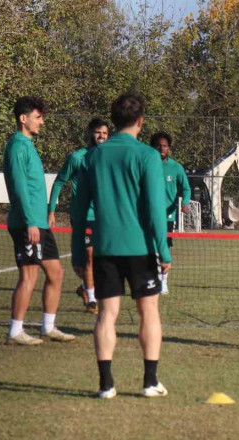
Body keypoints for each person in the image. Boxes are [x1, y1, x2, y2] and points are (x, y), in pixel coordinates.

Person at [71, 92, 172, 399]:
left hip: (104, 248)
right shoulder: (148, 156)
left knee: (106, 314)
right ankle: (150, 381)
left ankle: (106, 385)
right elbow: (156, 210)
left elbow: (78, 208)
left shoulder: (94, 156)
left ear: (113, 122)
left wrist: (77, 249)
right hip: (140, 249)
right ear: (140, 122)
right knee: (149, 312)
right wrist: (164, 252)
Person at [2, 96, 75, 345]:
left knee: (56, 273)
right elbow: (20, 188)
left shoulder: (28, 145)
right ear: (23, 119)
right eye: (38, 117)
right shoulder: (17, 146)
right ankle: (15, 330)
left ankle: (48, 327)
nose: (42, 122)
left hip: (39, 223)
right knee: (29, 277)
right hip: (27, 223)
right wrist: (31, 222)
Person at [48, 118, 109, 314]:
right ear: (91, 133)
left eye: (105, 133)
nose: (101, 136)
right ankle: (92, 300)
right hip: (83, 216)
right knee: (89, 256)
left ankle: (85, 288)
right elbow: (59, 183)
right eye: (98, 132)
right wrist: (51, 211)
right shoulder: (77, 157)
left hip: (104, 216)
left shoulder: (108, 158)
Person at [150, 132, 190, 294]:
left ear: (169, 148)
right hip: (148, 215)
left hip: (167, 216)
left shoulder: (176, 167)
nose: (162, 148)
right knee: (150, 249)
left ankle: (163, 281)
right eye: (158, 145)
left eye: (165, 145)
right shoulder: (147, 164)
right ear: (152, 147)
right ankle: (153, 279)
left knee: (165, 248)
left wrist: (185, 202)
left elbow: (186, 188)